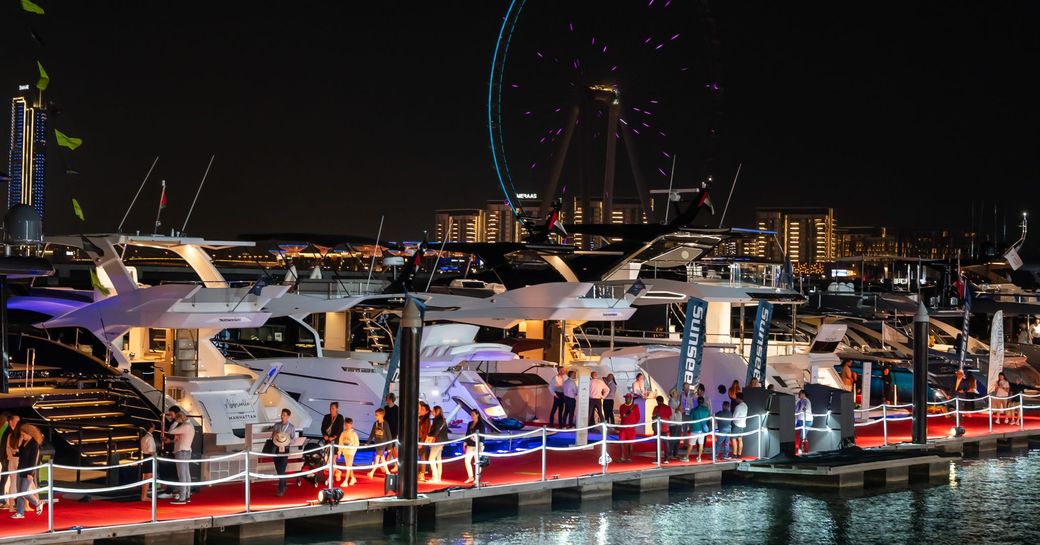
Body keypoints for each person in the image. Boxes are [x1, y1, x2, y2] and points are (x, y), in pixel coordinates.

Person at [11, 424, 43, 519]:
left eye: (23, 434)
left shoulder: (34, 444)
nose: (22, 436)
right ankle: (20, 512)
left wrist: (30, 473)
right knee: (19, 492)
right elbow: (21, 454)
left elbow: (33, 460)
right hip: (20, 469)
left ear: (29, 433)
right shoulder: (24, 442)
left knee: (24, 492)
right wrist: (19, 444)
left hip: (28, 471)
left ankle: (37, 502)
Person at [166, 411, 195, 504]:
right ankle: (187, 496)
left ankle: (182, 498)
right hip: (187, 451)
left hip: (181, 452)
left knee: (182, 475)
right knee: (186, 474)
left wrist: (175, 422)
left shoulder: (185, 426)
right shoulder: (190, 426)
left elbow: (170, 431)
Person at [271, 408, 295, 497]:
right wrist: (274, 434)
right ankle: (284, 484)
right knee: (278, 469)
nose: (282, 416)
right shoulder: (277, 425)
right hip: (276, 448)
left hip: (285, 449)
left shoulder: (291, 427)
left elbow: (293, 439)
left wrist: (287, 441)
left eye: (284, 415)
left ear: (288, 416)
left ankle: (281, 489)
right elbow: (272, 436)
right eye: (282, 414)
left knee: (282, 469)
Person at [366, 408, 394, 479]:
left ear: (381, 415)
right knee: (381, 458)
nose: (375, 416)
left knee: (378, 457)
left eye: (376, 415)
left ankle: (372, 472)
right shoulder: (375, 423)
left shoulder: (385, 424)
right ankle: (387, 472)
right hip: (377, 443)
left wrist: (390, 447)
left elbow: (389, 435)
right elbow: (372, 433)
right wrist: (368, 442)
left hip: (383, 444)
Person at [684, 397, 710, 463]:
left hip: (695, 429)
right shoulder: (706, 410)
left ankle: (687, 457)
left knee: (691, 444)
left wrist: (689, 428)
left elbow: (690, 420)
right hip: (703, 429)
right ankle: (699, 457)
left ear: (697, 402)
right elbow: (708, 419)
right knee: (701, 444)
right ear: (703, 402)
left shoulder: (693, 410)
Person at [427, 406, 449, 483]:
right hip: (441, 441)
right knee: (438, 459)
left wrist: (432, 437)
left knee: (431, 458)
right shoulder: (442, 419)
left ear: (437, 411)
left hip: (438, 441)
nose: (432, 412)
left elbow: (436, 431)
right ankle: (438, 477)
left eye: (433, 411)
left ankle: (435, 477)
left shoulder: (438, 420)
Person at [336, 418, 359, 487]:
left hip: (351, 452)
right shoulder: (343, 433)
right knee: (349, 466)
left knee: (348, 466)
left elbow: (357, 443)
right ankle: (353, 478)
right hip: (345, 452)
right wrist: (339, 451)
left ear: (351, 425)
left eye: (348, 425)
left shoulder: (354, 433)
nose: (347, 426)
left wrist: (352, 448)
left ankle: (346, 480)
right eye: (346, 425)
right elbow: (340, 442)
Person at [617, 393, 640, 463]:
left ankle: (629, 458)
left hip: (631, 428)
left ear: (631, 399)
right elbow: (623, 416)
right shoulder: (622, 407)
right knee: (621, 442)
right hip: (623, 427)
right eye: (626, 398)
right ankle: (622, 457)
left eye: (628, 398)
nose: (626, 399)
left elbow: (638, 417)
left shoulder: (635, 407)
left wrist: (633, 424)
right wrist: (628, 412)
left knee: (631, 443)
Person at [463, 408, 484, 484]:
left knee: (477, 462)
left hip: (477, 445)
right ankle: (470, 477)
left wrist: (480, 444)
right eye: (471, 414)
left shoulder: (481, 424)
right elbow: (467, 433)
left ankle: (477, 478)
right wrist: (465, 441)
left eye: (473, 414)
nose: (472, 416)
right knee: (467, 461)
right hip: (470, 445)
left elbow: (482, 436)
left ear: (477, 415)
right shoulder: (469, 423)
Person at [652, 395, 673, 463]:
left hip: (658, 428)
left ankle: (657, 459)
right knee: (666, 444)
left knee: (658, 444)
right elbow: (670, 417)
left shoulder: (656, 408)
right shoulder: (668, 407)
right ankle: (666, 459)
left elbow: (653, 417)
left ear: (657, 401)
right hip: (666, 428)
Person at [140, 422, 157, 502]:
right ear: (150, 428)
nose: (154, 427)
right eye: (153, 426)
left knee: (145, 478)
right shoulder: (149, 438)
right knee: (147, 478)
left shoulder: (144, 437)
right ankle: (144, 496)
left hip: (145, 457)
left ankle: (144, 496)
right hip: (149, 458)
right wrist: (156, 456)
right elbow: (151, 450)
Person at [383, 394, 400, 472]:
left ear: (390, 399)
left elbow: (398, 422)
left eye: (386, 398)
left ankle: (395, 464)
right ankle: (387, 464)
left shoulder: (397, 409)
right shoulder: (385, 408)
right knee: (390, 448)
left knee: (392, 448)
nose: (385, 400)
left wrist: (396, 432)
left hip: (393, 431)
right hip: (386, 430)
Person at [0, 413, 14, 509]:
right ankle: (2, 500)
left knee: (3, 480)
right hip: (6, 457)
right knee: (6, 480)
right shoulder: (7, 429)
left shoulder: (3, 428)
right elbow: (4, 444)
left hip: (3, 457)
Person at [667, 388, 683, 460]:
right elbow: (677, 409)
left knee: (678, 438)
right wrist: (680, 405)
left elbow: (680, 409)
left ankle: (675, 453)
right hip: (673, 422)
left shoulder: (678, 401)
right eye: (675, 392)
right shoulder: (671, 401)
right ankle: (670, 453)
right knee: (673, 438)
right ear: (673, 394)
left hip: (678, 421)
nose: (677, 393)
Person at [417, 402, 431, 481]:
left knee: (423, 457)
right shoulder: (420, 418)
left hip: (422, 440)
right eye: (420, 409)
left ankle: (422, 473)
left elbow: (425, 432)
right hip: (418, 439)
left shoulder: (426, 420)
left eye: (422, 409)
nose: (420, 411)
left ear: (427, 411)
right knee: (419, 457)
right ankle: (419, 473)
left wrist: (422, 443)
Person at [795, 390, 812, 455]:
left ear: (803, 394)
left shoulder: (806, 401)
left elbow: (805, 408)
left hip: (806, 420)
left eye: (800, 393)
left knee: (802, 435)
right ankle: (799, 449)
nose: (799, 394)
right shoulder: (799, 401)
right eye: (799, 393)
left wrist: (804, 409)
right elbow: (796, 410)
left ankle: (803, 450)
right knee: (798, 435)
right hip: (799, 420)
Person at [732, 392, 748, 458]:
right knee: (740, 439)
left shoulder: (738, 407)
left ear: (738, 398)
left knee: (733, 439)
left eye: (736, 398)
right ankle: (739, 454)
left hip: (737, 424)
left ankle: (734, 454)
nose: (735, 399)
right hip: (743, 424)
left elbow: (734, 417)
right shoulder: (745, 405)